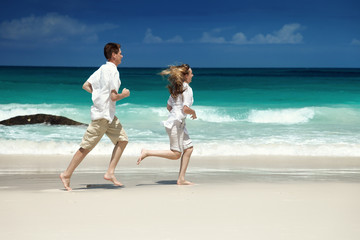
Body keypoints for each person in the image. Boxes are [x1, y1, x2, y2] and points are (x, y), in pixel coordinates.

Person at [60, 42, 130, 191]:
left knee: (122, 140)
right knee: (85, 148)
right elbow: (113, 97)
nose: (122, 55)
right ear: (114, 55)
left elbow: (85, 85)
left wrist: (99, 96)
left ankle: (110, 172)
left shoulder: (101, 69)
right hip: (102, 117)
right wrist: (124, 94)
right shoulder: (113, 71)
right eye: (120, 53)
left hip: (108, 116)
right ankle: (66, 174)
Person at [137, 64, 197, 185]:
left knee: (189, 149)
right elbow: (185, 109)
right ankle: (147, 152)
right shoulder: (187, 89)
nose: (192, 75)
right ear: (185, 76)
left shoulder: (177, 88)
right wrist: (193, 113)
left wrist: (175, 114)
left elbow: (169, 106)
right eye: (191, 73)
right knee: (176, 154)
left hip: (177, 123)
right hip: (176, 124)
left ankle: (181, 179)